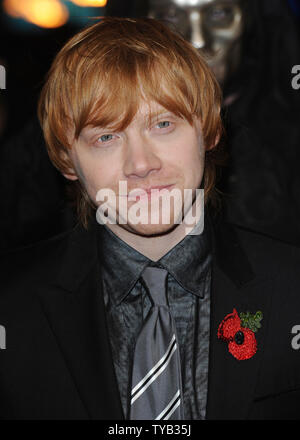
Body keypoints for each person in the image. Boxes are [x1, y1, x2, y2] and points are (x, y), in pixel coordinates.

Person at [1, 17, 300, 421]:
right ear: (67, 159)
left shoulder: (292, 288)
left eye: (163, 124)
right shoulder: (11, 306)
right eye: (106, 136)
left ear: (208, 130)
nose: (140, 164)